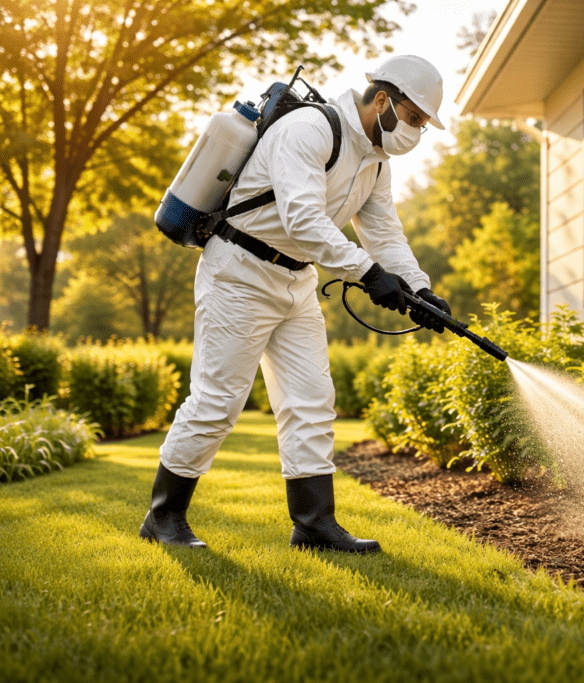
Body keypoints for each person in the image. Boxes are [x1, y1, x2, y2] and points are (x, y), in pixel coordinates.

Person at [139, 55, 451, 554]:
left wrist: (419, 290)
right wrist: (369, 276)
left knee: (311, 400)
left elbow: (385, 235)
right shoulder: (311, 128)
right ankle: (163, 516)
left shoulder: (375, 163)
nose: (416, 131)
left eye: (421, 124)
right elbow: (303, 218)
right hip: (240, 271)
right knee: (218, 400)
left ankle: (313, 525)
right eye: (413, 118)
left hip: (295, 281)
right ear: (383, 100)